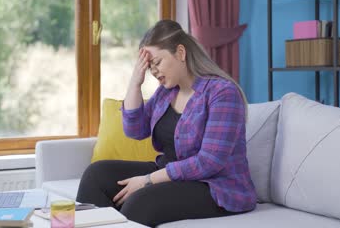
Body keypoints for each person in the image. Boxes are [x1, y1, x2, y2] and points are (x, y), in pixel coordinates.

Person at [76, 20, 256, 227]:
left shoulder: (222, 93)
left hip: (214, 186)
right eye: (149, 65)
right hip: (171, 174)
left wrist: (147, 180)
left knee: (140, 202)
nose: (153, 71)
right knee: (96, 175)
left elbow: (209, 162)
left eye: (157, 62)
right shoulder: (165, 93)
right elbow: (135, 130)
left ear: (180, 53)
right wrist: (135, 82)